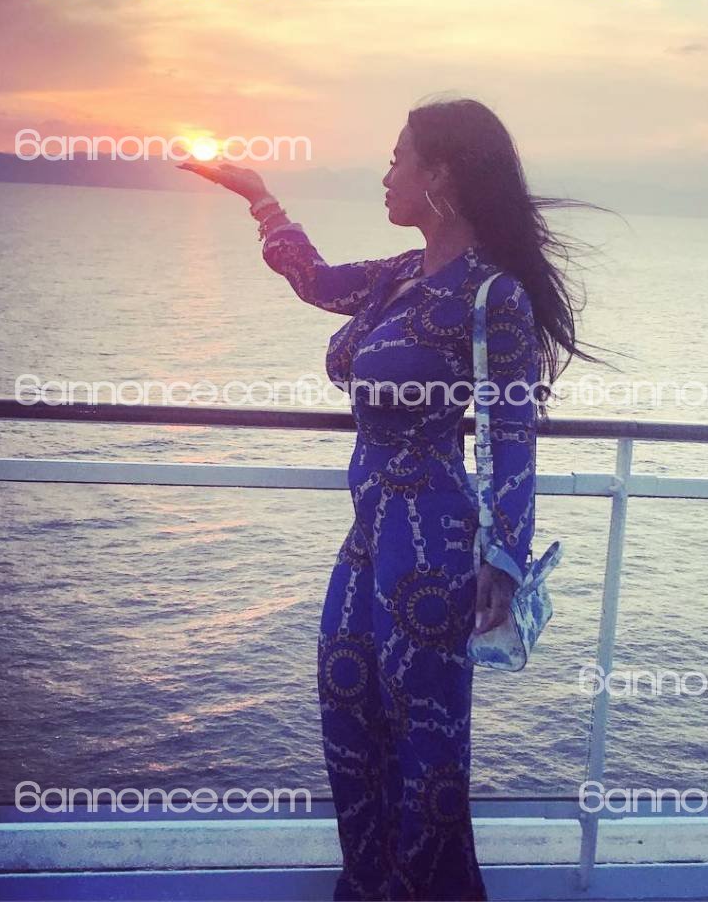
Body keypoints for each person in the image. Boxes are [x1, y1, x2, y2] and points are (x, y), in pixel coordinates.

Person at [179, 96, 616, 901]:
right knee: (348, 715)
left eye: (396, 159)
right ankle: (368, 885)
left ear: (439, 173)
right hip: (368, 538)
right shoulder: (399, 277)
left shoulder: (492, 296)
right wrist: (258, 197)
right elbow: (314, 281)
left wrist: (504, 555)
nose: (386, 176)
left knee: (426, 751)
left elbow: (510, 429)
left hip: (432, 547)